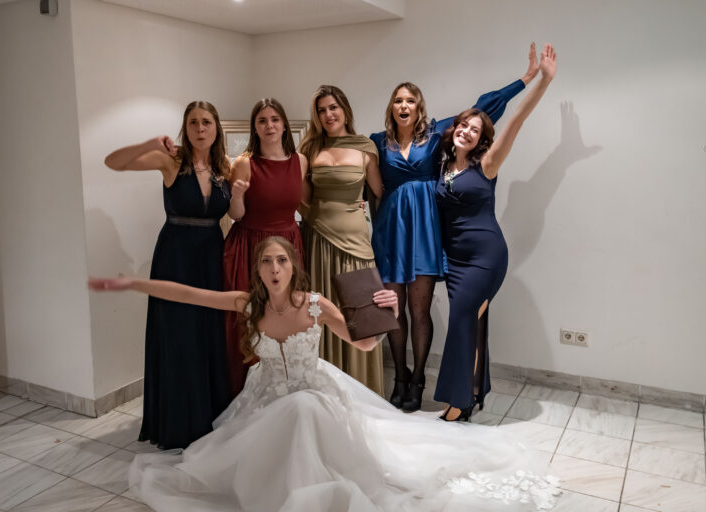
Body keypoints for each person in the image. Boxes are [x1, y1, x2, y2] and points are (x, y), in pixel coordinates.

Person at [89, 236, 559, 512]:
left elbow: (363, 344)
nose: (274, 268)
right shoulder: (247, 303)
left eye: (282, 260)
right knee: (261, 438)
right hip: (265, 403)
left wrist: (389, 312)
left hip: (315, 397)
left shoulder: (315, 305)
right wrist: (131, 283)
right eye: (266, 262)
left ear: (293, 267)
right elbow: (188, 294)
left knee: (303, 408)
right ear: (258, 270)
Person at [370, 44, 540, 412]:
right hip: (391, 231)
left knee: (419, 310)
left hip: (425, 232)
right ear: (391, 107)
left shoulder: (435, 135)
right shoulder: (376, 142)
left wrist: (525, 79)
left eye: (410, 100)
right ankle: (399, 377)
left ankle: (419, 379)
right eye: (398, 100)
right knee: (392, 309)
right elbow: (363, 180)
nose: (403, 105)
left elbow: (483, 109)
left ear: (419, 107)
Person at [436, 44, 558, 422]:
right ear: (454, 128)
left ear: (482, 138)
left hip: (485, 258)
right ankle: (473, 393)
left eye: (475, 129)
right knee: (468, 323)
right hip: (455, 260)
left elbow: (516, 119)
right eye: (463, 125)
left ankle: (457, 405)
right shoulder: (441, 167)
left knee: (461, 321)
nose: (467, 131)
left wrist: (541, 81)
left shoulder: (487, 164)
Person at [103, 101, 232, 448]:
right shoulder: (172, 161)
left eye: (206, 122)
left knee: (207, 335)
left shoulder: (225, 168)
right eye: (193, 122)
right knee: (178, 336)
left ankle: (208, 416)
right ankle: (178, 424)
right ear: (185, 129)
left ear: (216, 127)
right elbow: (113, 162)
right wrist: (149, 144)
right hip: (176, 257)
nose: (200, 129)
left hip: (211, 257)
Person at [299, 85, 385, 395]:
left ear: (345, 110)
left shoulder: (366, 148)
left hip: (357, 244)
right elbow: (303, 197)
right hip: (318, 241)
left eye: (333, 107)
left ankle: (363, 391)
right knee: (322, 315)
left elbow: (379, 194)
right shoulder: (310, 148)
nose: (328, 115)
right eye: (321, 110)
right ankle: (325, 394)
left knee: (362, 318)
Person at [222, 98, 308, 397]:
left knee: (286, 319)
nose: (269, 125)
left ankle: (285, 395)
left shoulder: (300, 161)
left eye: (274, 119)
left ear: (284, 125)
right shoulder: (245, 163)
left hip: (288, 247)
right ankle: (249, 398)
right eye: (262, 120)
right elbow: (236, 215)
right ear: (255, 128)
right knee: (250, 323)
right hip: (251, 249)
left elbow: (302, 203)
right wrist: (236, 195)